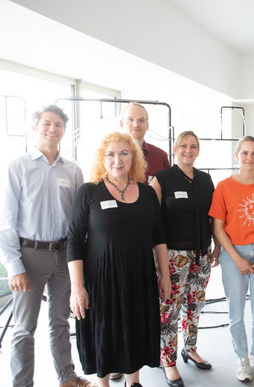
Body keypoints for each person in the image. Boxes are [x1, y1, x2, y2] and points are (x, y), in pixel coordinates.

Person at [0, 105, 94, 387]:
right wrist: (14, 266)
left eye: (58, 125)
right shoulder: (18, 167)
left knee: (61, 321)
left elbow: (80, 219)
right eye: (47, 123)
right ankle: (22, 383)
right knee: (25, 328)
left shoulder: (73, 170)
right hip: (29, 256)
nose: (52, 129)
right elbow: (5, 222)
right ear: (35, 127)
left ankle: (67, 377)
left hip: (64, 255)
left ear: (64, 130)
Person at [67, 132, 171, 387]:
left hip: (139, 277)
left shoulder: (147, 193)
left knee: (136, 329)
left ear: (134, 158)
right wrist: (77, 287)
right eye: (110, 154)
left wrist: (165, 276)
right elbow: (74, 241)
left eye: (124, 153)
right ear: (102, 159)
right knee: (105, 333)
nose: (117, 160)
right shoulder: (89, 192)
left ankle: (133, 382)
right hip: (101, 280)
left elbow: (158, 237)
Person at [150, 131, 219, 387]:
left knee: (195, 305)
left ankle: (190, 348)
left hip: (202, 253)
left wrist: (217, 248)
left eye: (193, 146)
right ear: (175, 149)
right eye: (184, 146)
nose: (188, 150)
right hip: (172, 255)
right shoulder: (162, 179)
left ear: (198, 151)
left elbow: (212, 217)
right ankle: (168, 361)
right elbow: (153, 222)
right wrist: (155, 258)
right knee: (168, 309)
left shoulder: (205, 180)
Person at [209, 136, 254, 382]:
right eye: (244, 153)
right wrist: (235, 258)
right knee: (236, 312)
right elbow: (218, 228)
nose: (249, 158)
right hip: (233, 254)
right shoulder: (224, 187)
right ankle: (242, 358)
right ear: (236, 155)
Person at [120, 102, 169, 183]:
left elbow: (167, 189)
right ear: (121, 124)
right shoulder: (110, 156)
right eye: (130, 120)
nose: (136, 124)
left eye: (141, 120)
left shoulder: (160, 156)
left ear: (147, 125)